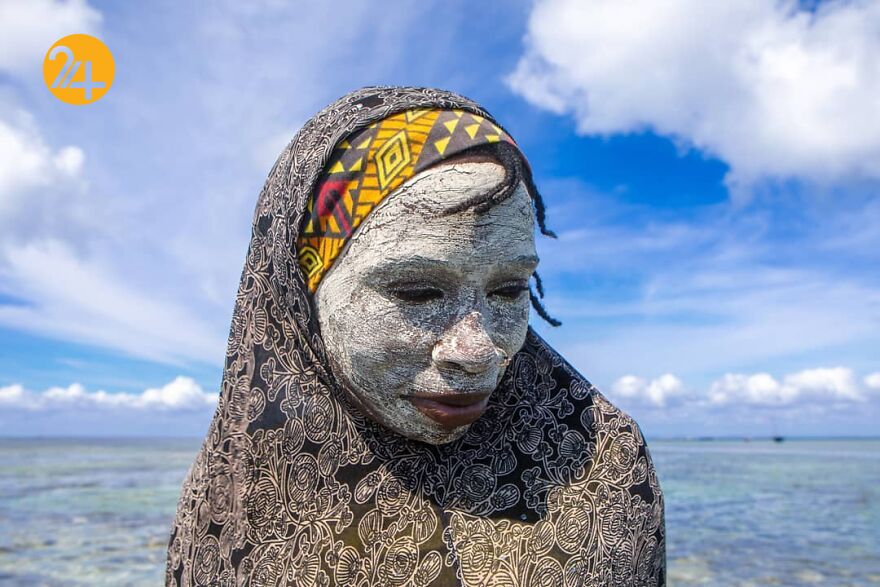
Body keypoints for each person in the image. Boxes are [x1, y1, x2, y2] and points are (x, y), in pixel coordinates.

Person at [166, 86, 665, 587]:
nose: (477, 352)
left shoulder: (601, 467)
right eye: (418, 292)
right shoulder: (233, 484)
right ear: (301, 292)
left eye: (509, 290)